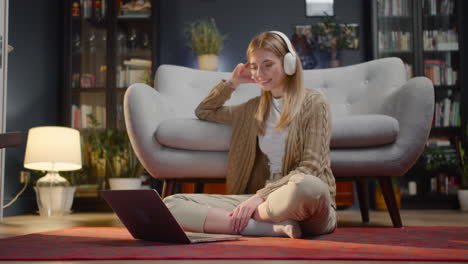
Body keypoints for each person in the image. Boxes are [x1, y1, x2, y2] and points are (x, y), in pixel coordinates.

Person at [163, 31, 336, 238]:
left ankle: (246, 219)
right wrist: (232, 83)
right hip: (260, 201)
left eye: (268, 64)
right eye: (254, 66)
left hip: (295, 202)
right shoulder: (252, 109)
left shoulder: (315, 103)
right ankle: (269, 229)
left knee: (308, 186)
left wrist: (259, 198)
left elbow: (311, 167)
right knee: (171, 204)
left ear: (289, 64)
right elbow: (205, 111)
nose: (259, 73)